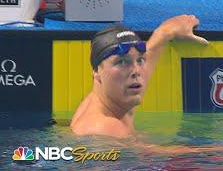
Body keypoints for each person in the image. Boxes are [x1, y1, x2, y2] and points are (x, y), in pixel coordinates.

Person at [70, 15, 208, 138]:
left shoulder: (115, 95)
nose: (136, 71)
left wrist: (165, 31)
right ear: (97, 72)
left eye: (140, 60)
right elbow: (161, 158)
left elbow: (151, 50)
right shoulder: (104, 129)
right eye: (122, 62)